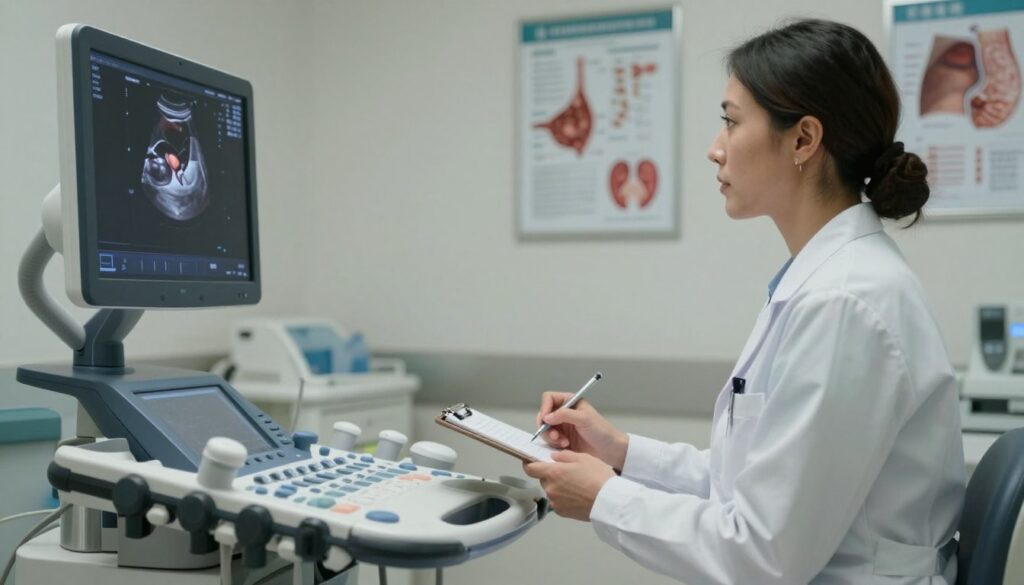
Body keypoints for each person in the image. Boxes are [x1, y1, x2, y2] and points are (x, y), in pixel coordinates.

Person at [523, 19, 966, 585]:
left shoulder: (845, 304)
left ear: (804, 140)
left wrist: (605, 498)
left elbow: (763, 554)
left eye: (731, 122)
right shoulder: (825, 284)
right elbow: (750, 487)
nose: (714, 149)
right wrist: (621, 452)